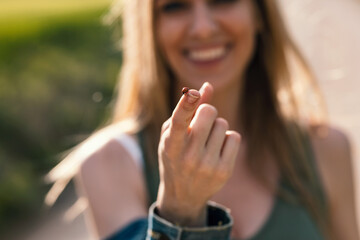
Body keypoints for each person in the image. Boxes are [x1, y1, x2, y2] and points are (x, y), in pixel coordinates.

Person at [46, 0, 359, 239]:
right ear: (150, 27)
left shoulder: (326, 149)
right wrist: (179, 210)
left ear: (259, 14)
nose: (203, 28)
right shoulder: (108, 164)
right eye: (175, 6)